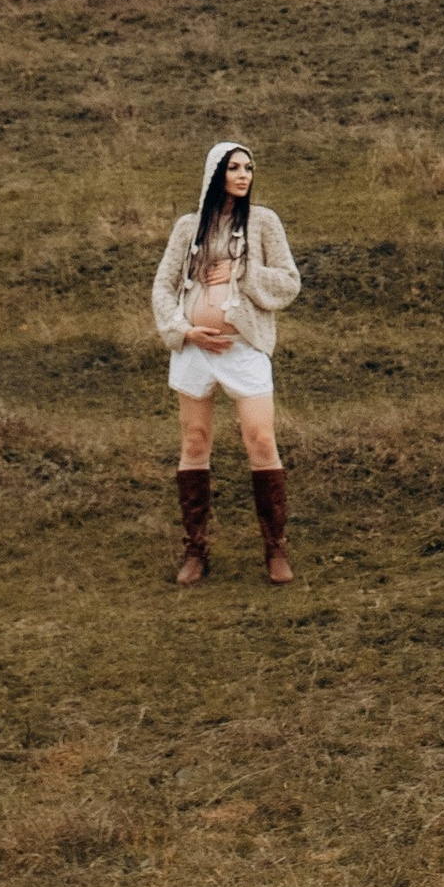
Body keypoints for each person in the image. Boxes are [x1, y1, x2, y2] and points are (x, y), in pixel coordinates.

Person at [151, 139, 300, 587]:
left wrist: (243, 274)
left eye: (248, 168)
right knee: (195, 441)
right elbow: (162, 286)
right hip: (195, 349)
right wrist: (183, 331)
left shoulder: (263, 222)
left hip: (243, 347)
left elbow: (289, 282)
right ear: (216, 173)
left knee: (260, 438)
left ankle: (275, 549)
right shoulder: (188, 228)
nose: (243, 175)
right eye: (233, 167)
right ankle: (196, 551)